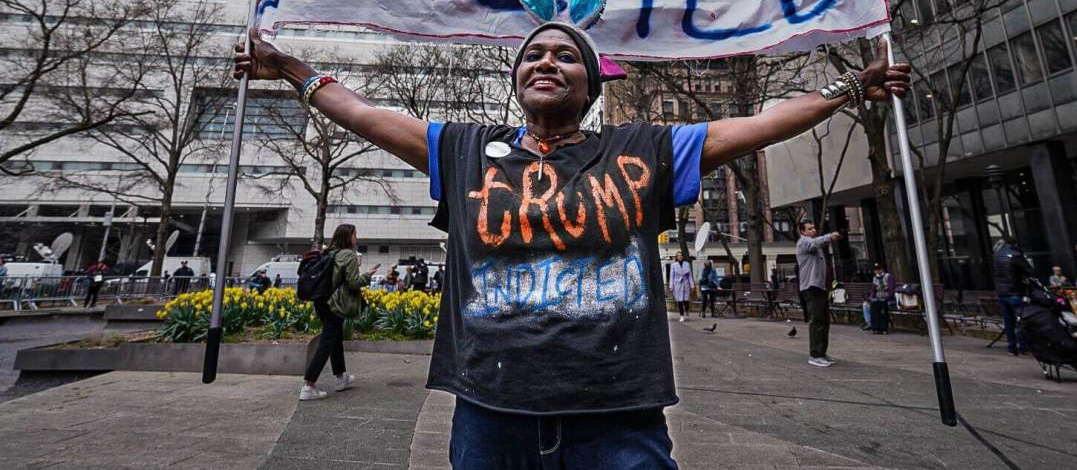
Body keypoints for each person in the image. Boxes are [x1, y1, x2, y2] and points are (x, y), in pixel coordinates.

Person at [235, 24, 908, 467]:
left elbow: (760, 124)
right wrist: (288, 66)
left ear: (589, 85)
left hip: (617, 418)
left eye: (564, 55)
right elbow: (360, 113)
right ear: (518, 80)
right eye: (532, 54)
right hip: (491, 415)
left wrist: (850, 87)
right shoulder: (465, 149)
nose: (546, 60)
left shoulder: (645, 148)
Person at [301, 223, 380, 401]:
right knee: (328, 341)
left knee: (335, 338)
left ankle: (340, 377)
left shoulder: (329, 252)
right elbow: (353, 283)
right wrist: (368, 275)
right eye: (354, 234)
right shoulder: (349, 255)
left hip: (321, 301)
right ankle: (309, 385)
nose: (356, 238)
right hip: (335, 304)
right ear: (348, 237)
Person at [795, 219, 843, 367]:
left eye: (814, 228)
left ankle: (821, 352)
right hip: (811, 286)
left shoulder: (814, 244)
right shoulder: (804, 242)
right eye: (809, 229)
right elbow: (814, 243)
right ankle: (815, 354)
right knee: (817, 321)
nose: (813, 230)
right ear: (803, 232)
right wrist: (829, 237)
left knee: (824, 321)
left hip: (820, 287)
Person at [993, 238, 1034, 356]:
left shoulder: (997, 255)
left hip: (1002, 293)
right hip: (1015, 291)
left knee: (1008, 321)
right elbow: (1028, 270)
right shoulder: (1015, 255)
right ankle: (1023, 347)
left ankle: (1012, 347)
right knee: (1020, 320)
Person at [861, 263, 895, 332]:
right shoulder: (875, 278)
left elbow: (891, 291)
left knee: (880, 305)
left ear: (882, 269)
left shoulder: (888, 276)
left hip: (887, 299)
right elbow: (873, 290)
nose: (876, 271)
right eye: (875, 270)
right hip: (877, 299)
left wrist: (885, 298)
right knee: (865, 304)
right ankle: (870, 323)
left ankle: (881, 325)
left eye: (878, 269)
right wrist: (870, 298)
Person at [669, 252, 694, 322]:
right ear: (676, 257)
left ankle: (687, 311)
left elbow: (690, 276)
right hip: (677, 284)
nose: (680, 257)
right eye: (678, 256)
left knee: (686, 300)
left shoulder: (687, 264)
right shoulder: (674, 265)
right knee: (679, 301)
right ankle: (681, 316)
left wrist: (692, 285)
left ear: (683, 256)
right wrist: (671, 286)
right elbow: (672, 276)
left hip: (685, 283)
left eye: (681, 255)